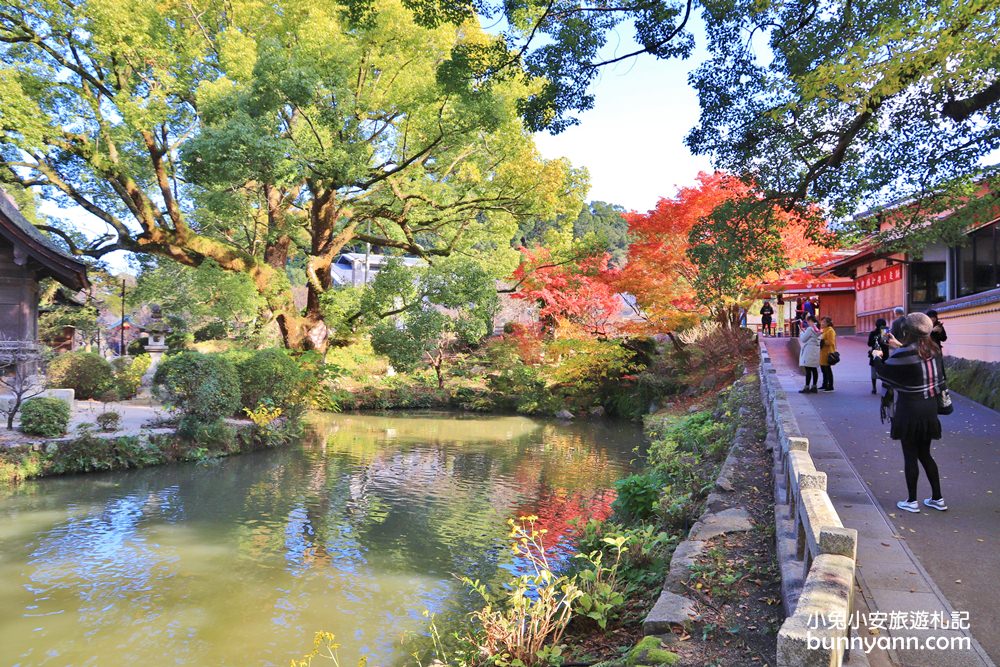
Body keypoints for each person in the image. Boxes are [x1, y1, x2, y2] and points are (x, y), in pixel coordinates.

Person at [870, 313, 947, 514]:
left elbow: (885, 373)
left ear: (907, 331)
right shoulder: (934, 349)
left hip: (909, 410)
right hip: (929, 409)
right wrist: (897, 345)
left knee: (910, 455)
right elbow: (913, 355)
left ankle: (912, 501)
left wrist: (876, 357)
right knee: (925, 454)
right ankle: (937, 498)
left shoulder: (903, 355)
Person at [798, 314, 821, 393]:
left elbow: (803, 339)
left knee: (808, 369)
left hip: (809, 350)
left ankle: (806, 387)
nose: (807, 323)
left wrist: (801, 333)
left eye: (807, 321)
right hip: (816, 350)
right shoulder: (817, 328)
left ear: (810, 321)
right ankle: (814, 386)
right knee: (814, 369)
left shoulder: (809, 329)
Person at [867, 318, 890, 394]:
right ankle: (885, 387)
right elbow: (885, 343)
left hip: (875, 352)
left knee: (874, 370)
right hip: (884, 353)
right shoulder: (885, 331)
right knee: (885, 371)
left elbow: (869, 344)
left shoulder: (873, 333)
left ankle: (874, 388)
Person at [819, 316, 837, 391]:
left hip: (828, 352)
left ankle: (830, 386)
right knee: (823, 369)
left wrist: (822, 341)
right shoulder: (824, 330)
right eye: (821, 321)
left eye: (823, 322)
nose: (822, 323)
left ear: (828, 323)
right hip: (823, 352)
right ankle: (824, 384)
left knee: (827, 369)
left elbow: (831, 342)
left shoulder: (830, 331)